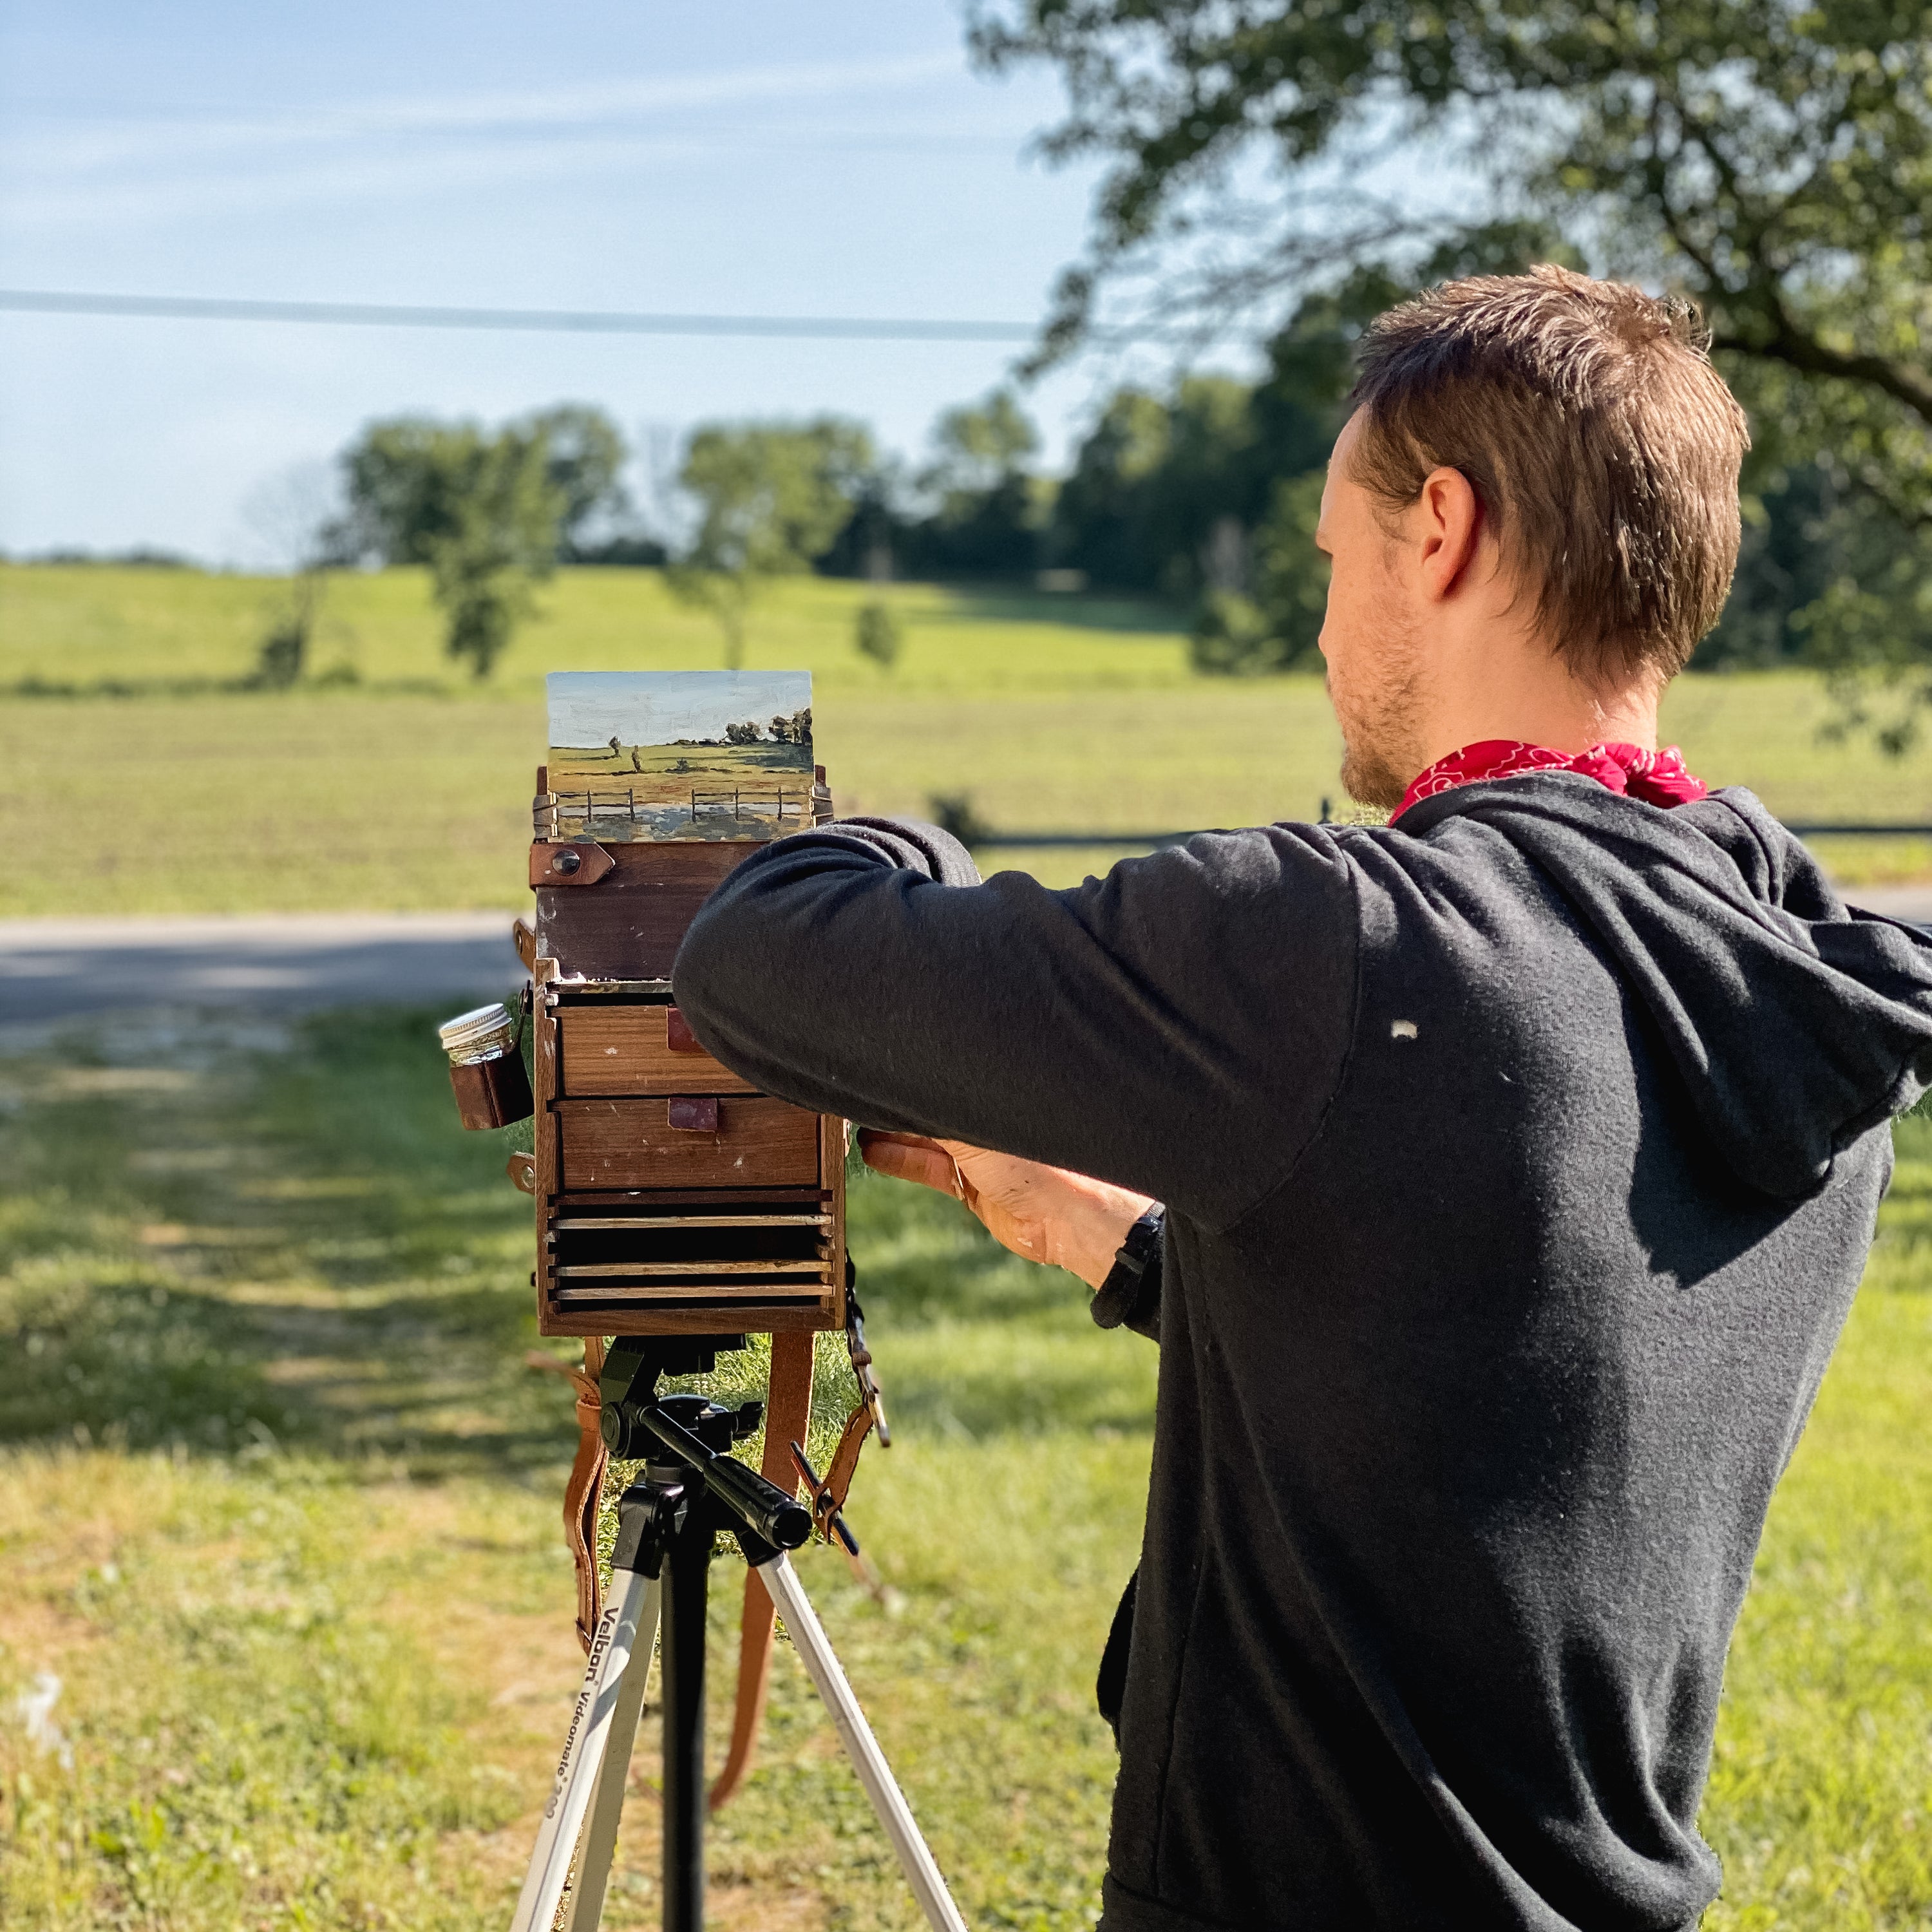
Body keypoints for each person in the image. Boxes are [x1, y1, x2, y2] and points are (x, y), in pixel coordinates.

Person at [671, 266, 1932, 1931]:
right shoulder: (1794, 969)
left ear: (1443, 535)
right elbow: (1532, 1350)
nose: (1325, 629)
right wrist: (1130, 1253)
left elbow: (757, 958)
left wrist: (898, 842)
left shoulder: (1343, 944)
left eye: (1334, 565)